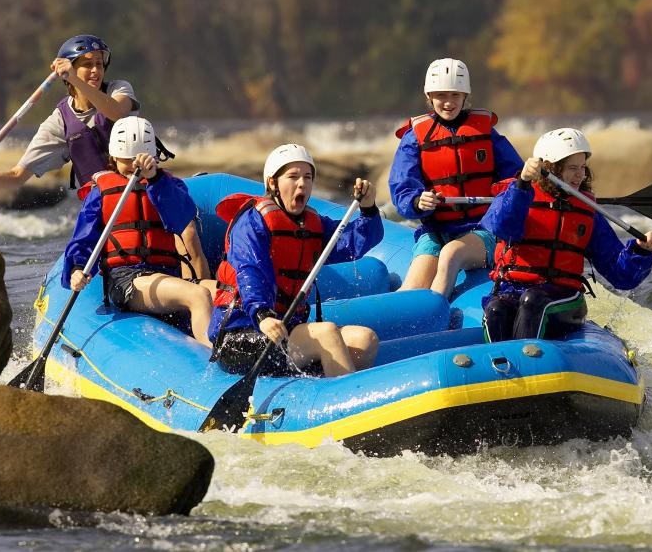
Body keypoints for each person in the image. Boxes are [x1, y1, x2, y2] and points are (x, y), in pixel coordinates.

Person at [209, 144, 383, 377]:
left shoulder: (311, 224)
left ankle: (327, 388)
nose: (302, 183)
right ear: (273, 183)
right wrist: (262, 314)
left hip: (287, 330)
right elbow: (250, 271)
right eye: (293, 177)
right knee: (326, 333)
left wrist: (369, 208)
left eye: (307, 177)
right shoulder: (252, 222)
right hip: (243, 333)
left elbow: (353, 243)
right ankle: (344, 396)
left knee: (365, 340)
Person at [478, 128, 652, 343]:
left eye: (583, 167)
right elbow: (504, 228)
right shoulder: (516, 194)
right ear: (551, 168)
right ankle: (500, 367)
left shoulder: (586, 212)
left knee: (534, 300)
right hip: (513, 289)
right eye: (572, 168)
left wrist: (641, 251)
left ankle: (529, 363)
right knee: (496, 309)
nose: (580, 175)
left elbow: (619, 275)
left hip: (564, 298)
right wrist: (522, 184)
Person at [64, 116, 217, 344]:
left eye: (138, 160)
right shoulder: (101, 192)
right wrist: (77, 269)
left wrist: (154, 179)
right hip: (126, 280)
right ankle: (214, 365)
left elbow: (180, 219)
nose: (132, 167)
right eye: (126, 160)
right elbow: (84, 240)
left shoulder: (167, 186)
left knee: (228, 295)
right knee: (199, 295)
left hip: (167, 275)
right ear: (113, 157)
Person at [388, 58, 523, 297]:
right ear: (429, 96)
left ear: (465, 96)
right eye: (440, 95)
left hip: (484, 230)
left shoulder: (486, 133)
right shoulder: (414, 137)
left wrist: (502, 197)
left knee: (452, 254)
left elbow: (515, 179)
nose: (448, 102)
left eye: (455, 95)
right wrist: (418, 201)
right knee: (412, 288)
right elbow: (402, 187)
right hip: (436, 231)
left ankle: (434, 315)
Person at [0, 34, 137, 193]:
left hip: (140, 193)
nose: (96, 70)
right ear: (70, 70)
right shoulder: (59, 123)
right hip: (103, 208)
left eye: (99, 64)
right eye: (88, 64)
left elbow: (116, 112)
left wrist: (73, 77)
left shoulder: (118, 89)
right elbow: (17, 176)